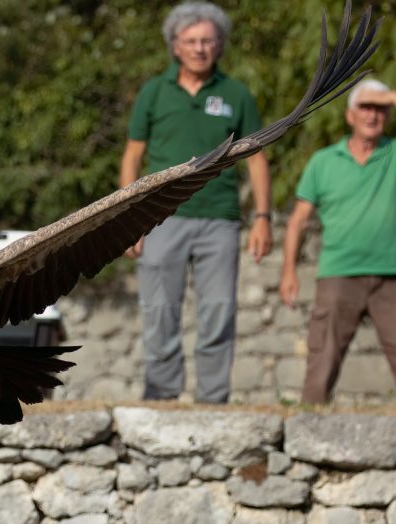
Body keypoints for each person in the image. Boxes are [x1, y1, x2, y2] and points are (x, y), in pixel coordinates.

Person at [120, 1, 273, 404]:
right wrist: (126, 221)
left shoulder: (237, 93)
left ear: (220, 45)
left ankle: (213, 399)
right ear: (175, 46)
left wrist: (262, 217)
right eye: (191, 41)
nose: (200, 48)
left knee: (219, 312)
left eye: (208, 40)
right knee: (159, 311)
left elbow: (256, 160)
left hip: (219, 220)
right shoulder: (154, 92)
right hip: (157, 219)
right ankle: (162, 395)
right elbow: (132, 157)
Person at [279, 78, 396, 403]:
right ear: (349, 116)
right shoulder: (323, 162)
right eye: (365, 107)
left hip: (392, 275)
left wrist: (387, 94)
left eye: (381, 109)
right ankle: (307, 435)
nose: (373, 116)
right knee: (321, 363)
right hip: (339, 274)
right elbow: (298, 221)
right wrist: (288, 271)